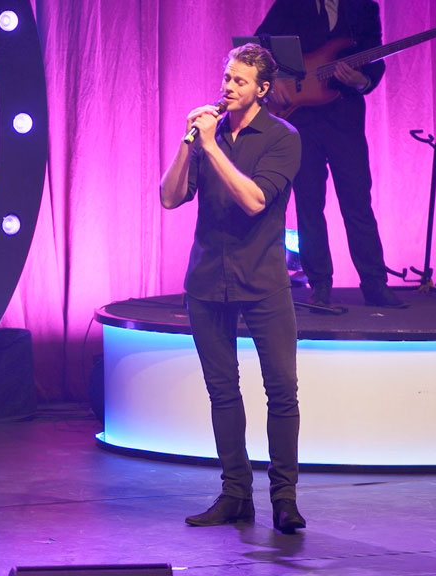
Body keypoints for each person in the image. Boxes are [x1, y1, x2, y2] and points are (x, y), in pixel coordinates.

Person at [159, 43, 306, 534]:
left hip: (263, 281)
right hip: (207, 281)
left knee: (281, 390)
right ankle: (235, 494)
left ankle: (284, 498)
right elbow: (169, 198)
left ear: (262, 89)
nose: (228, 87)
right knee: (222, 391)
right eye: (227, 77)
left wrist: (213, 148)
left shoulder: (283, 138)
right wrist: (188, 143)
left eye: (240, 81)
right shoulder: (209, 135)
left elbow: (254, 200)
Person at [256, 0, 405, 309]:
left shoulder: (364, 7)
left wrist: (362, 81)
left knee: (357, 203)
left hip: (345, 117)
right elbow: (258, 46)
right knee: (309, 204)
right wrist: (273, 81)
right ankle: (320, 284)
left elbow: (374, 57)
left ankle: (375, 284)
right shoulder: (290, 3)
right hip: (300, 117)